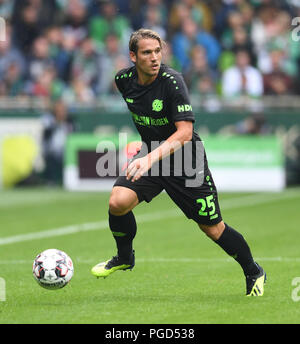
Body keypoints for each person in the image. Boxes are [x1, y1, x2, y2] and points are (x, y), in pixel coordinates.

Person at [91, 29, 266, 296]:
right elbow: (145, 113)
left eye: (158, 51)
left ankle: (254, 270)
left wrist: (149, 156)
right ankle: (125, 257)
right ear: (133, 56)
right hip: (152, 154)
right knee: (117, 203)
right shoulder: (123, 80)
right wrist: (147, 147)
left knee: (212, 228)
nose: (154, 58)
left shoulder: (173, 82)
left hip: (186, 159)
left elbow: (184, 133)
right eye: (147, 52)